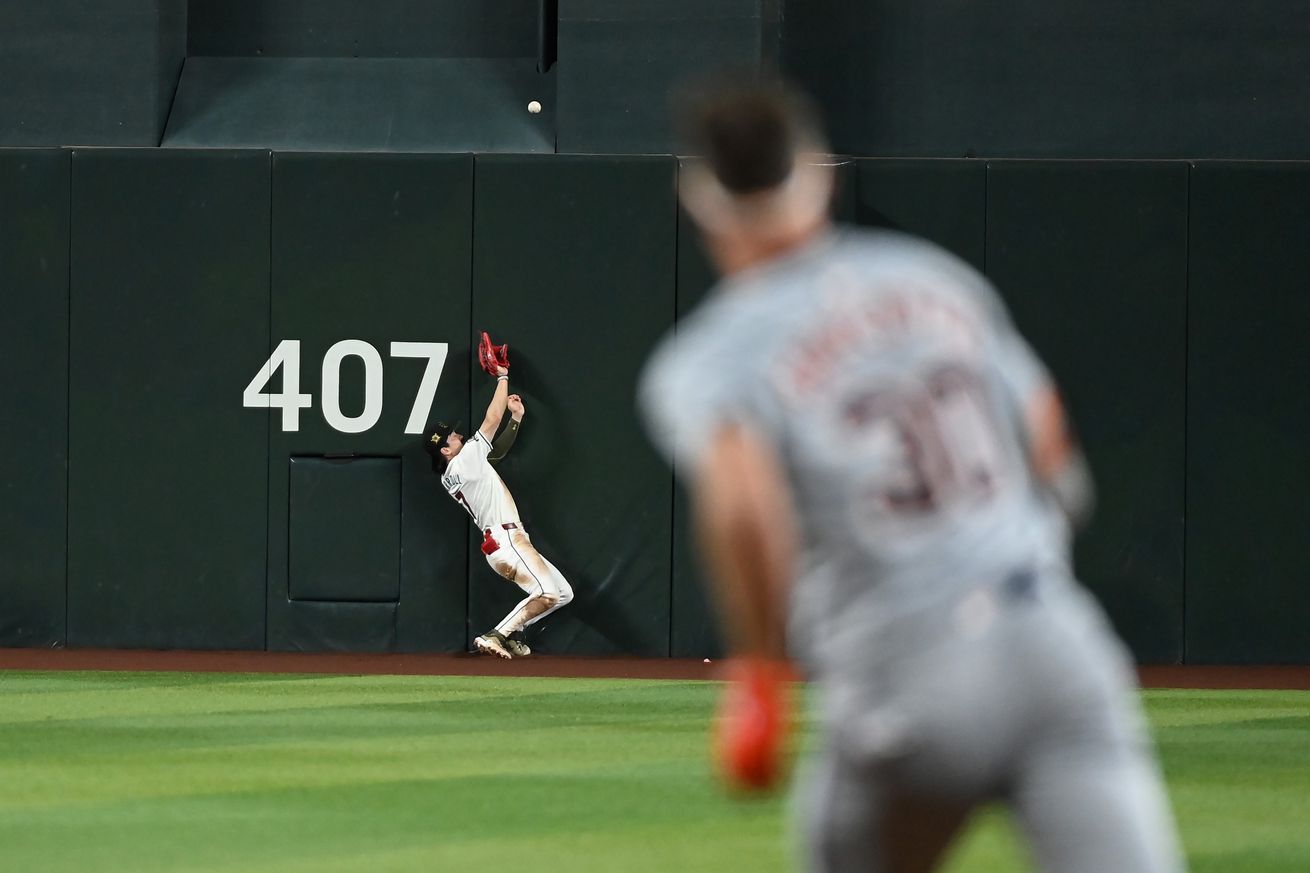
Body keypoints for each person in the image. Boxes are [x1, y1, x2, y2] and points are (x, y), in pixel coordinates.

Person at [639, 79, 1186, 873]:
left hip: (909, 668)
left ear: (700, 202)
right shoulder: (933, 279)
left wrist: (759, 667)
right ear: (818, 173)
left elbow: (746, 510)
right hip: (1056, 646)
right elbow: (1052, 451)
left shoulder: (713, 356)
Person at [426, 352, 573, 660]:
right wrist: (503, 376)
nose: (458, 434)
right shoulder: (465, 460)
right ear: (444, 449)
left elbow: (496, 453)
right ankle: (496, 634)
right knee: (547, 593)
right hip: (506, 539)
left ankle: (513, 632)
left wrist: (516, 418)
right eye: (451, 436)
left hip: (501, 544)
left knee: (563, 594)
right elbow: (492, 420)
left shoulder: (459, 469)